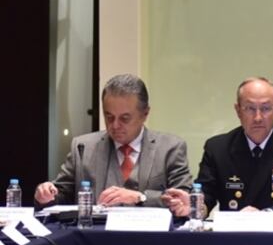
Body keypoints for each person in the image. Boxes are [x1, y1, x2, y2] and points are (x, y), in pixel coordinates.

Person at [162, 77, 273, 223]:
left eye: (266, 108)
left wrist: (266, 215)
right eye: (250, 108)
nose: (258, 117)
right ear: (238, 110)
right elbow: (207, 195)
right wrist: (195, 207)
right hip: (234, 238)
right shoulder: (218, 148)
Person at [34, 74, 192, 208]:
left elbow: (185, 201)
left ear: (145, 113)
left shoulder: (170, 148)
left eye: (125, 118)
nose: (115, 125)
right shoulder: (83, 147)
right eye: (109, 117)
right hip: (95, 238)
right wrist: (47, 195)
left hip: (151, 240)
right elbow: (62, 195)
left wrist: (141, 198)